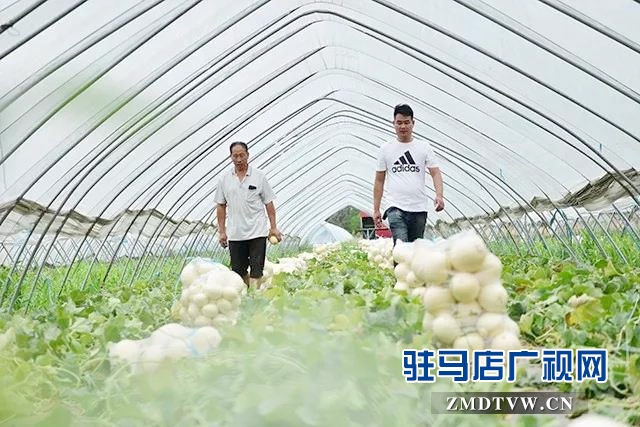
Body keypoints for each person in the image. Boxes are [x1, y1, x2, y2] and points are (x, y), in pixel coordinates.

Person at [373, 104, 444, 247]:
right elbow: (379, 180)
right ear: (393, 123)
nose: (403, 126)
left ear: (413, 123)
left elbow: (435, 172)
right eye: (399, 123)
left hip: (418, 207)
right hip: (395, 206)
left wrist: (439, 195)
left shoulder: (424, 147)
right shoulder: (385, 149)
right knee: (401, 247)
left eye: (406, 122)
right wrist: (376, 209)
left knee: (415, 249)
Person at [214, 141, 283, 289]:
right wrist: (222, 232)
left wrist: (273, 227)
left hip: (257, 231)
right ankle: (247, 294)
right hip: (235, 233)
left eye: (242, 155)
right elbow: (221, 206)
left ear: (248, 155)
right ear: (231, 157)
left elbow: (269, 203)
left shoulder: (259, 176)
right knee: (238, 271)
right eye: (235, 156)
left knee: (257, 269)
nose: (239, 159)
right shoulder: (224, 179)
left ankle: (254, 296)